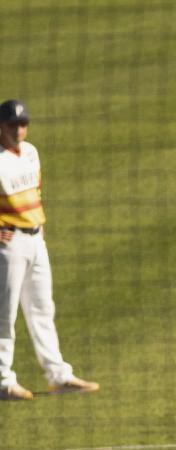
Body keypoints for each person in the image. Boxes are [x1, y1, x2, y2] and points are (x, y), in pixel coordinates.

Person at [0, 99, 99, 401]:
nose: (19, 130)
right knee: (4, 315)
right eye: (13, 125)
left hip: (35, 239)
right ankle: (3, 380)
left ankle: (59, 376)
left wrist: (39, 226)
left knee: (43, 308)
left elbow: (36, 192)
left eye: (23, 124)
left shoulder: (31, 153)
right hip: (8, 246)